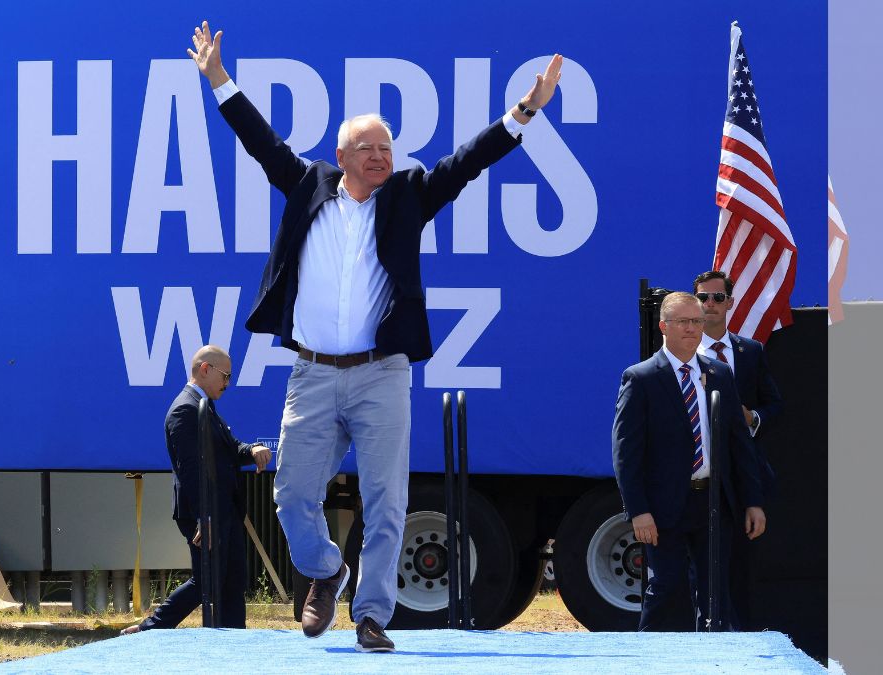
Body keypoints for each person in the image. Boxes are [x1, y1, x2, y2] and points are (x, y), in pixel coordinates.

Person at [186, 20, 562, 651]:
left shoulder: (409, 196)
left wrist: (525, 110)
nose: (383, 157)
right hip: (311, 373)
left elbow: (467, 162)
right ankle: (325, 570)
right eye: (369, 149)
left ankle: (371, 614)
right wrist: (219, 77)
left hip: (381, 373)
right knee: (291, 496)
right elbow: (259, 140)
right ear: (342, 157)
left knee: (387, 501)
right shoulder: (306, 186)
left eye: (387, 148)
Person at [612, 292, 767, 631]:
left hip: (713, 502)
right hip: (663, 506)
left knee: (715, 592)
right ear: (663, 326)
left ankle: (712, 655)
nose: (691, 328)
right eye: (682, 321)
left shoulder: (719, 374)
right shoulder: (641, 378)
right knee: (667, 586)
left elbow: (739, 443)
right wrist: (638, 511)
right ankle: (650, 654)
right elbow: (626, 453)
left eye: (697, 321)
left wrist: (752, 501)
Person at [122, 345, 271, 634]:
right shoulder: (186, 409)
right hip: (206, 511)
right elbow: (190, 470)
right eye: (225, 376)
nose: (228, 383)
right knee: (207, 581)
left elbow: (228, 449)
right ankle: (150, 628)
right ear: (205, 369)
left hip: (223, 509)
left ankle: (234, 641)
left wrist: (252, 450)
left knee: (232, 580)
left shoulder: (204, 406)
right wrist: (205, 516)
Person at [692, 270, 783, 628]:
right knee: (699, 568)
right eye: (703, 298)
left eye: (718, 297)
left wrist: (753, 418)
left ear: (730, 302)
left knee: (740, 567)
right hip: (699, 475)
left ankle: (741, 639)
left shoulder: (750, 351)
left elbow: (774, 404)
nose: (710, 304)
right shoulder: (683, 352)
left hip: (743, 477)